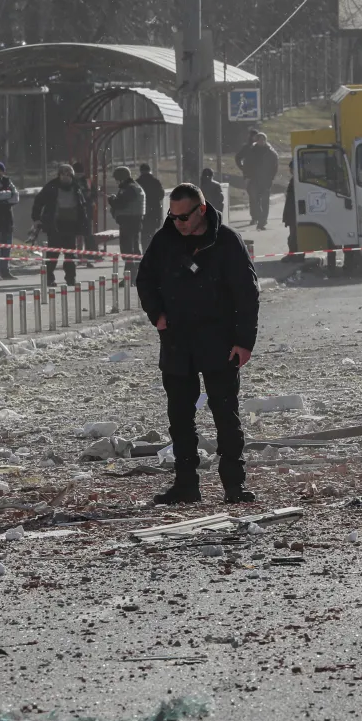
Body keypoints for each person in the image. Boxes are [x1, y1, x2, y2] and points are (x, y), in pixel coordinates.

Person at [136, 183, 260, 506]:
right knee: (179, 418)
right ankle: (186, 485)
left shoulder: (227, 242)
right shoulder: (164, 241)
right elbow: (144, 278)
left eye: (183, 217)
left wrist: (244, 341)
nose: (178, 223)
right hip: (177, 343)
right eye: (172, 216)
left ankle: (234, 485)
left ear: (201, 211)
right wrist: (157, 314)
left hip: (219, 342)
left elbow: (247, 294)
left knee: (225, 416)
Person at [31, 163, 91, 286]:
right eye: (63, 175)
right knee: (53, 254)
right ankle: (49, 278)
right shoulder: (51, 186)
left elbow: (83, 204)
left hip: (71, 225)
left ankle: (70, 278)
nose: (65, 177)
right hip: (55, 225)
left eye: (68, 175)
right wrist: (36, 219)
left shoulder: (77, 187)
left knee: (70, 254)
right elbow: (38, 201)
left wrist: (84, 223)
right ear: (59, 175)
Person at [236, 131, 279, 229]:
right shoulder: (251, 151)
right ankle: (259, 218)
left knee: (264, 201)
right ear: (257, 140)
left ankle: (263, 221)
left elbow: (275, 166)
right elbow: (246, 164)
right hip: (253, 180)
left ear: (265, 140)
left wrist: (271, 178)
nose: (261, 141)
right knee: (255, 201)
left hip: (265, 181)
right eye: (259, 139)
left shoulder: (271, 152)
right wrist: (246, 174)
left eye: (263, 140)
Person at [106, 166, 145, 275]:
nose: (116, 182)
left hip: (128, 222)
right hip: (134, 221)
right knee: (134, 249)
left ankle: (131, 276)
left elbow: (120, 204)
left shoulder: (130, 189)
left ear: (121, 178)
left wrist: (112, 200)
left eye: (117, 179)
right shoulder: (133, 187)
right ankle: (135, 275)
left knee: (128, 250)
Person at [72, 161, 98, 262]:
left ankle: (76, 255)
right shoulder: (88, 181)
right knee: (87, 234)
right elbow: (95, 195)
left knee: (75, 234)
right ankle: (90, 255)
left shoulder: (71, 182)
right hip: (87, 212)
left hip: (74, 212)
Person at [138, 162, 166, 248]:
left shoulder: (138, 182)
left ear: (141, 171)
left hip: (143, 212)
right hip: (154, 212)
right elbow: (161, 195)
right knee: (152, 233)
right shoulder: (155, 182)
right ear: (149, 171)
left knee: (144, 234)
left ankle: (145, 252)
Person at [281, 168, 301, 262]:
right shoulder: (296, 179)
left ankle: (294, 256)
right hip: (292, 212)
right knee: (293, 236)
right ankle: (295, 255)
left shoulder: (296, 180)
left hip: (294, 212)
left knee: (294, 236)